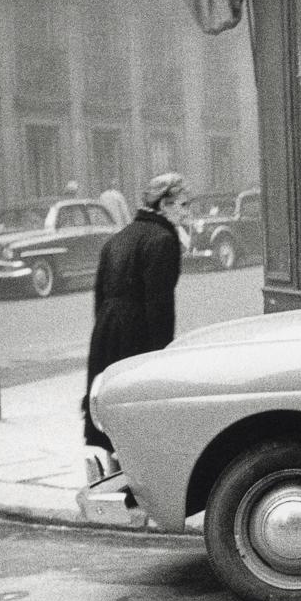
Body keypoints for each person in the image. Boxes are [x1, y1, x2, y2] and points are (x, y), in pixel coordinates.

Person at [82, 172, 190, 454]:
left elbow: (99, 298)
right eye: (183, 204)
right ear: (164, 205)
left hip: (106, 333)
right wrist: (160, 356)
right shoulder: (163, 240)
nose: (186, 212)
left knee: (109, 409)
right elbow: (160, 305)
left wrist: (105, 332)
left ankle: (111, 468)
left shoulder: (117, 240)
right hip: (137, 334)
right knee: (138, 413)